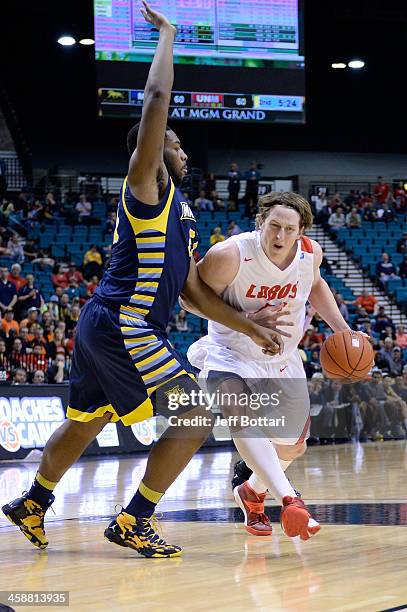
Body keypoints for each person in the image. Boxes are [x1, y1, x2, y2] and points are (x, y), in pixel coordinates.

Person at [2, 2, 282, 559]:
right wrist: (167, 37)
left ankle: (31, 502)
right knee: (196, 415)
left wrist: (248, 326)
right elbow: (155, 100)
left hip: (108, 323)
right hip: (125, 323)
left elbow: (193, 292)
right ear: (152, 151)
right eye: (173, 143)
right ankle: (134, 519)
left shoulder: (179, 212)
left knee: (87, 420)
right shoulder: (145, 186)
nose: (181, 149)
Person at [185, 191, 353, 541]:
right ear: (260, 222)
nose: (279, 236)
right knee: (239, 413)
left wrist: (344, 331)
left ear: (302, 230)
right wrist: (246, 320)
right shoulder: (230, 255)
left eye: (288, 229)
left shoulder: (310, 253)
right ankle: (289, 498)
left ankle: (252, 491)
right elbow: (191, 299)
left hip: (280, 360)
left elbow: (316, 286)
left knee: (293, 446)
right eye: (273, 226)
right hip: (229, 352)